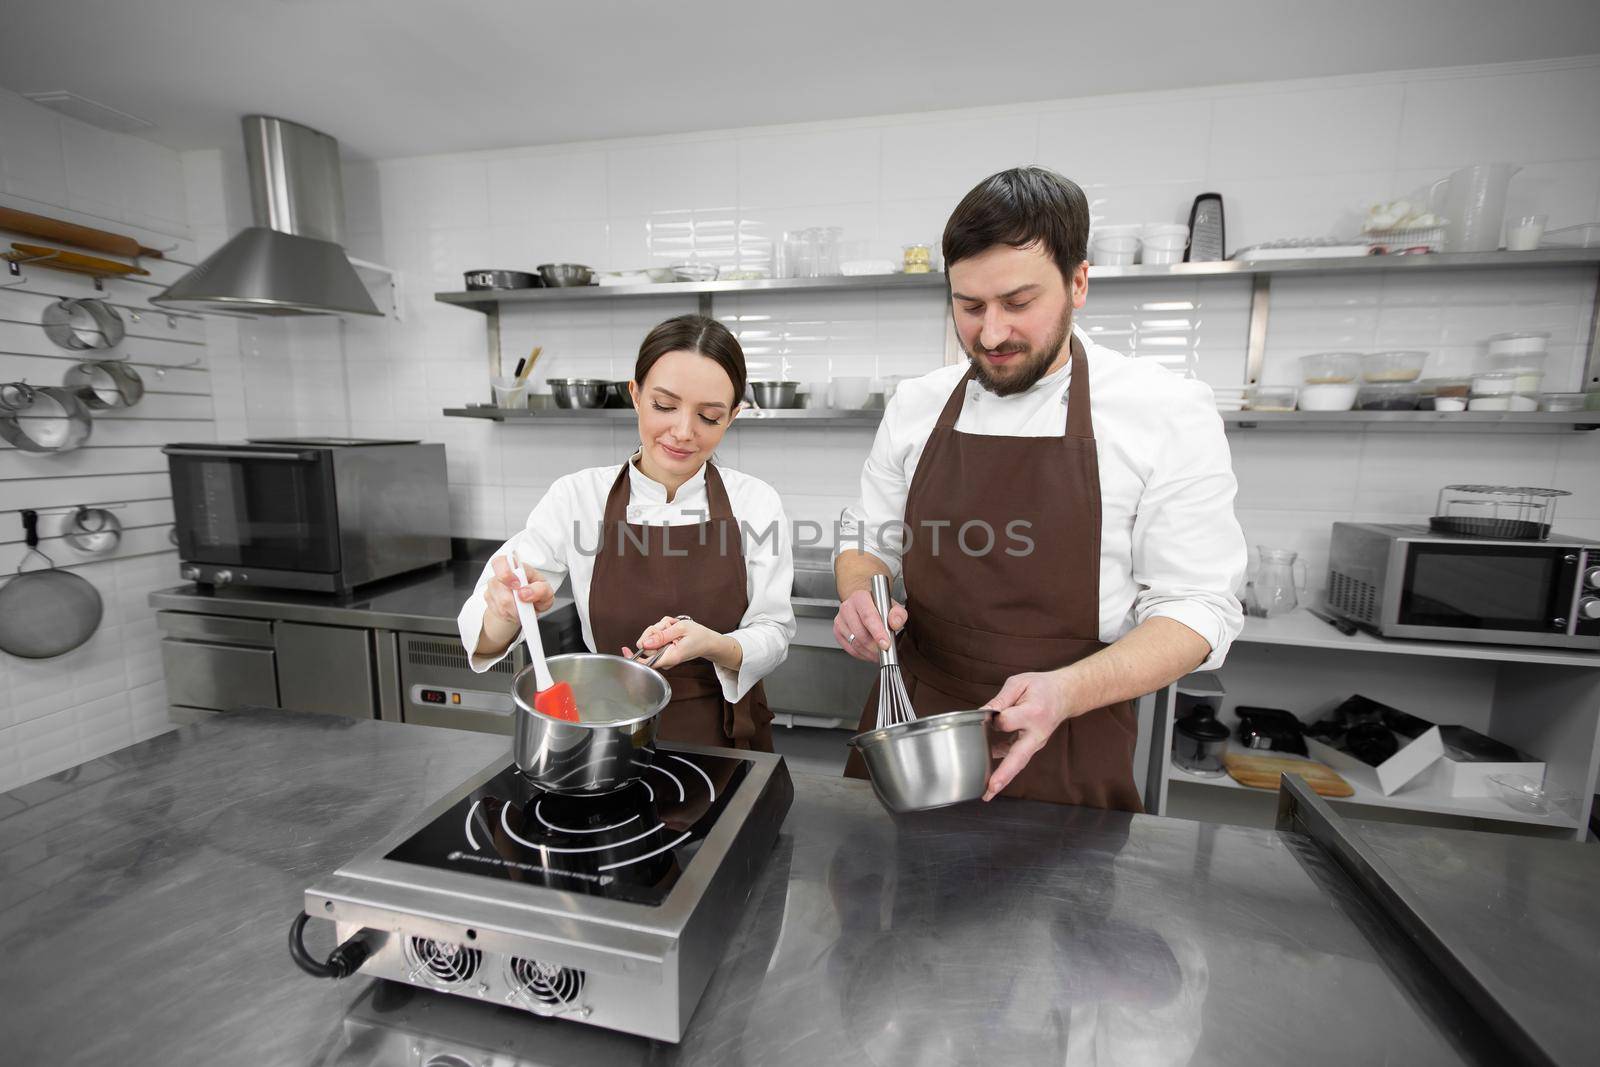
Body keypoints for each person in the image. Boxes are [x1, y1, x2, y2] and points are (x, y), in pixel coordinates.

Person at [834, 166, 1246, 809]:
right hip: (915, 720)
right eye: (969, 307)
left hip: (1072, 730)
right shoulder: (917, 405)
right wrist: (860, 593)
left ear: (1079, 282)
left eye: (1018, 304)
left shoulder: (1165, 411)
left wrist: (1067, 692)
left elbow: (1198, 610)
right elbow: (867, 539)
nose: (991, 334)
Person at [458, 314, 795, 750]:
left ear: (731, 417)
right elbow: (485, 637)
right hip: (611, 734)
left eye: (709, 416)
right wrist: (506, 613)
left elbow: (774, 631)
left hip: (724, 737)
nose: (682, 431)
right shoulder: (577, 497)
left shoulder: (756, 502)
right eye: (664, 405)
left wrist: (714, 645)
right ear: (635, 396)